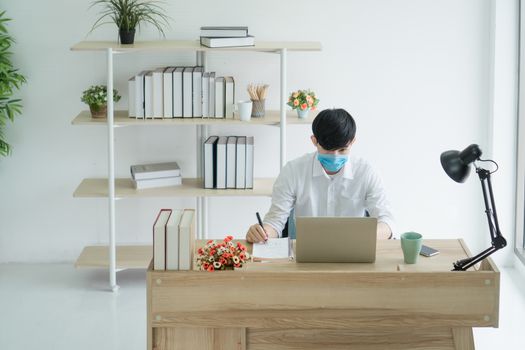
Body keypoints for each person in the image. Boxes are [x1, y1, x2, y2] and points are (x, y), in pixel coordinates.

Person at [246, 108, 395, 243]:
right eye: (328, 150)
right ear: (314, 141)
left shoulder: (366, 172)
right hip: (307, 253)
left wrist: (363, 237)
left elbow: (387, 222)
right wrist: (262, 233)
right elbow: (275, 222)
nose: (335, 156)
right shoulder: (293, 171)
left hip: (354, 251)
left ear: (352, 142)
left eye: (342, 150)